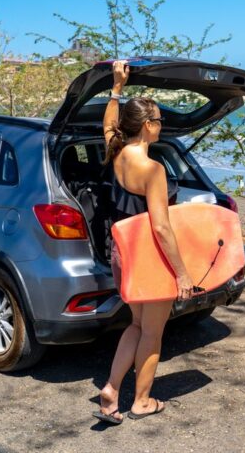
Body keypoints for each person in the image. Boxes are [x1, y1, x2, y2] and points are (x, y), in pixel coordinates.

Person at [93, 60, 194, 424]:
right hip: (150, 259)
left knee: (135, 325)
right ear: (148, 125)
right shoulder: (153, 170)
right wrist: (182, 274)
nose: (162, 125)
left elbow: (108, 125)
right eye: (160, 120)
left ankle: (111, 389)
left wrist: (117, 88)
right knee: (152, 333)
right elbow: (162, 228)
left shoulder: (116, 151)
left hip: (122, 254)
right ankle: (142, 401)